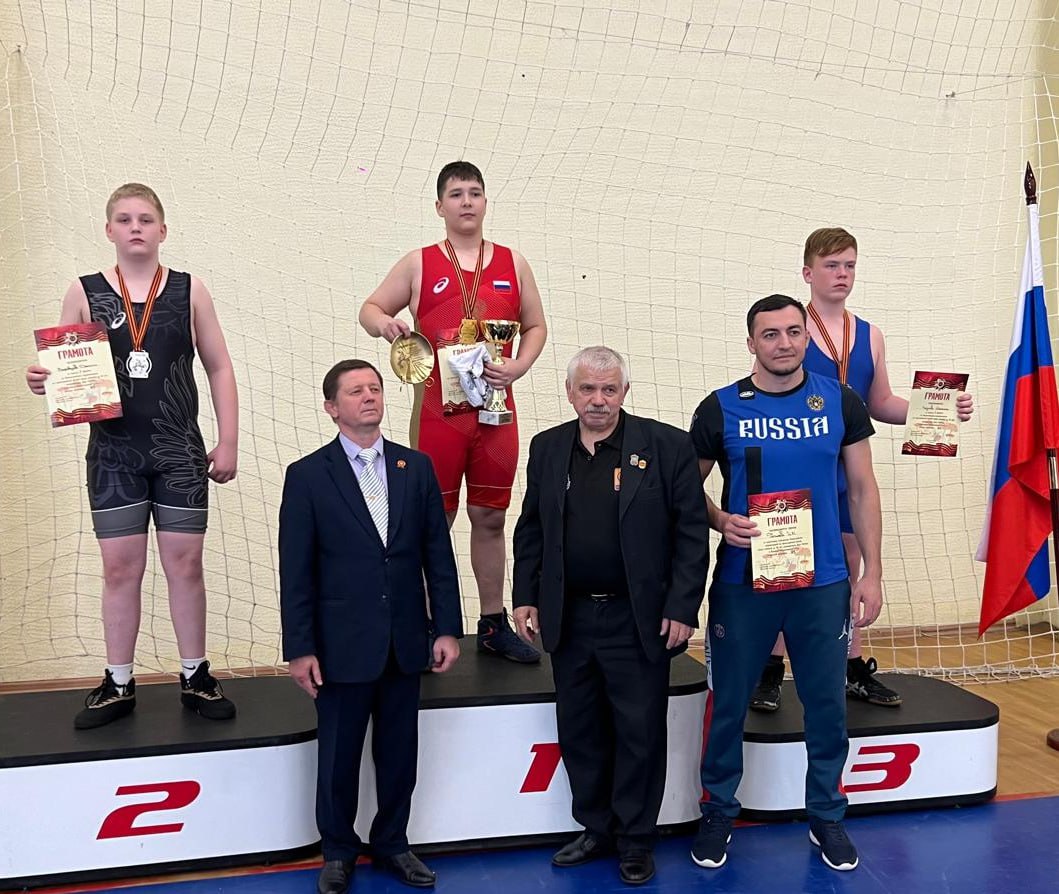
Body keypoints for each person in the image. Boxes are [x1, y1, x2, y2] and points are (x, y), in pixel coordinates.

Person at [24, 182, 238, 729]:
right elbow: (64, 371)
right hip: (113, 456)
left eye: (145, 219)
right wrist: (43, 381)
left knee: (185, 564)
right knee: (120, 569)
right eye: (124, 219)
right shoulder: (84, 291)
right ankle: (118, 681)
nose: (135, 227)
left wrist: (229, 439)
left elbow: (218, 366)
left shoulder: (189, 290)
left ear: (163, 230)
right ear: (109, 230)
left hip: (180, 452)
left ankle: (195, 675)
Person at [691, 295, 882, 872]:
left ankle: (826, 816)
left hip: (822, 583)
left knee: (826, 705)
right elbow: (683, 489)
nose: (784, 343)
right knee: (729, 703)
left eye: (794, 332)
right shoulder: (720, 407)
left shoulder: (839, 402)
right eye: (770, 334)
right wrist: (720, 520)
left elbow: (862, 489)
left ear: (806, 337)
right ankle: (717, 811)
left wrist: (871, 573)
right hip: (742, 582)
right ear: (751, 342)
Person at [749, 228, 975, 712]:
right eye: (831, 266)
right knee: (785, 564)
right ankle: (770, 668)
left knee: (851, 560)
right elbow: (765, 389)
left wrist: (937, 411)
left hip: (847, 463)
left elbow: (880, 402)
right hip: (798, 460)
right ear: (808, 273)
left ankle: (850, 666)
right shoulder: (790, 330)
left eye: (849, 265)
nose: (842, 274)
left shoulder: (870, 335)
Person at [511, 346, 709, 886]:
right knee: (580, 730)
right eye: (587, 389)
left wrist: (682, 606)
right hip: (570, 616)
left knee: (639, 731)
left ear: (624, 392)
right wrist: (525, 595)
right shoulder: (547, 447)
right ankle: (596, 828)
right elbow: (531, 528)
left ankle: (636, 839)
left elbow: (691, 534)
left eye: (608, 389)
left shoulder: (667, 446)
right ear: (570, 393)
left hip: (639, 619)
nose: (598, 400)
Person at [279, 359, 462, 894]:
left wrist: (446, 628)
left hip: (405, 641)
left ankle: (392, 843)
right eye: (355, 391)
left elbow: (438, 555)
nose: (369, 396)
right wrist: (300, 647)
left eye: (375, 388)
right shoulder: (308, 476)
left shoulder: (416, 467)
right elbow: (297, 570)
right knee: (339, 755)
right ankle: (338, 851)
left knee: (399, 753)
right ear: (332, 407)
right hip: (340, 646)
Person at [359, 161, 547, 664]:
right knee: (432, 519)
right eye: (457, 193)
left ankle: (492, 623)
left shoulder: (513, 263)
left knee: (490, 516)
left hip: (495, 413)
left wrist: (518, 367)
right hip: (439, 416)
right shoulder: (419, 263)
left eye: (475, 192)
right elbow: (369, 309)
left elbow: (536, 326)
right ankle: (425, 626)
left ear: (485, 202)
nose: (467, 201)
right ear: (439, 206)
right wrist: (385, 325)